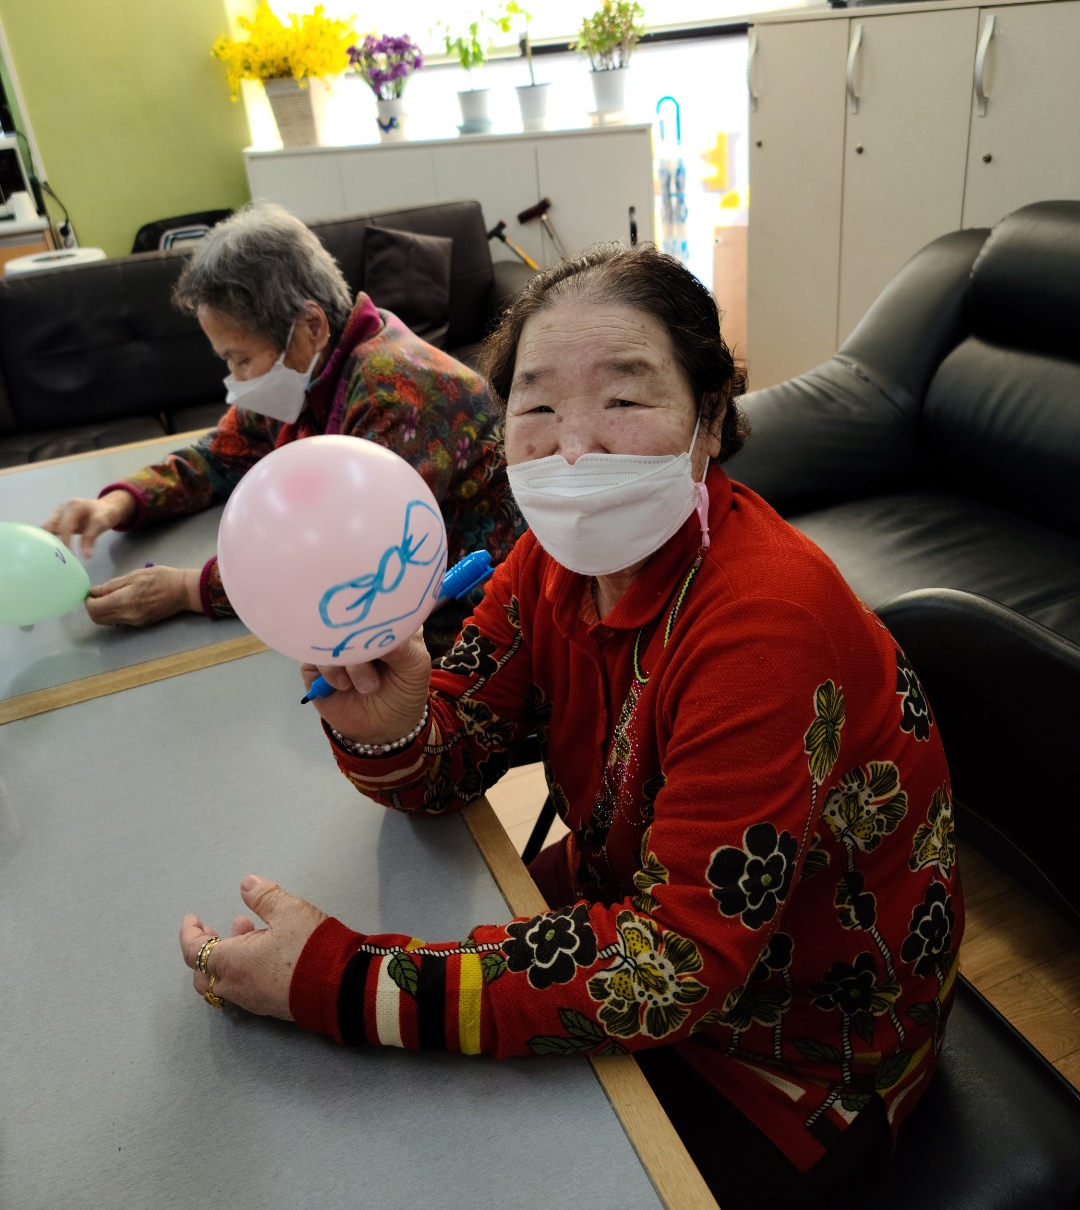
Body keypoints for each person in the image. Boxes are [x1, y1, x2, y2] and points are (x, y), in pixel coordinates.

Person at [178, 244, 963, 1208]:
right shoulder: (548, 565)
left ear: (712, 417)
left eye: (624, 399)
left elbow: (668, 969)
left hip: (795, 1060)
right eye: (538, 408)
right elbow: (449, 763)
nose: (573, 449)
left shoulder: (767, 625)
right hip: (634, 910)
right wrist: (394, 726)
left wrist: (336, 982)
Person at [43, 202, 521, 656]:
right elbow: (219, 456)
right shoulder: (304, 373)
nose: (235, 377)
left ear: (311, 325)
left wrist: (187, 590)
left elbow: (341, 562)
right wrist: (115, 505)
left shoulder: (397, 393)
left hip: (474, 620)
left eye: (240, 358)